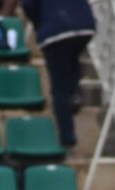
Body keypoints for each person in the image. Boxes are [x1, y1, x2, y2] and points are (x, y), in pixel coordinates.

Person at [21, 0, 95, 150]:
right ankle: (74, 92)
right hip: (84, 24)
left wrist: (39, 22)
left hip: (56, 29)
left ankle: (68, 139)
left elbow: (28, 4)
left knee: (59, 89)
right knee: (71, 56)